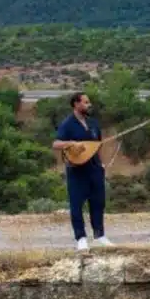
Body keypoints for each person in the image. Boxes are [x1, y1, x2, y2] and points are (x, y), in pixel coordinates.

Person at [52, 92, 113, 251]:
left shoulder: (93, 123)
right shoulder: (68, 124)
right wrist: (72, 143)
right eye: (86, 102)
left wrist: (102, 164)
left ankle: (100, 235)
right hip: (77, 170)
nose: (89, 105)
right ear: (76, 104)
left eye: (88, 102)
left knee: (98, 203)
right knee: (77, 205)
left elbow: (98, 145)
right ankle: (81, 238)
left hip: (95, 169)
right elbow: (56, 144)